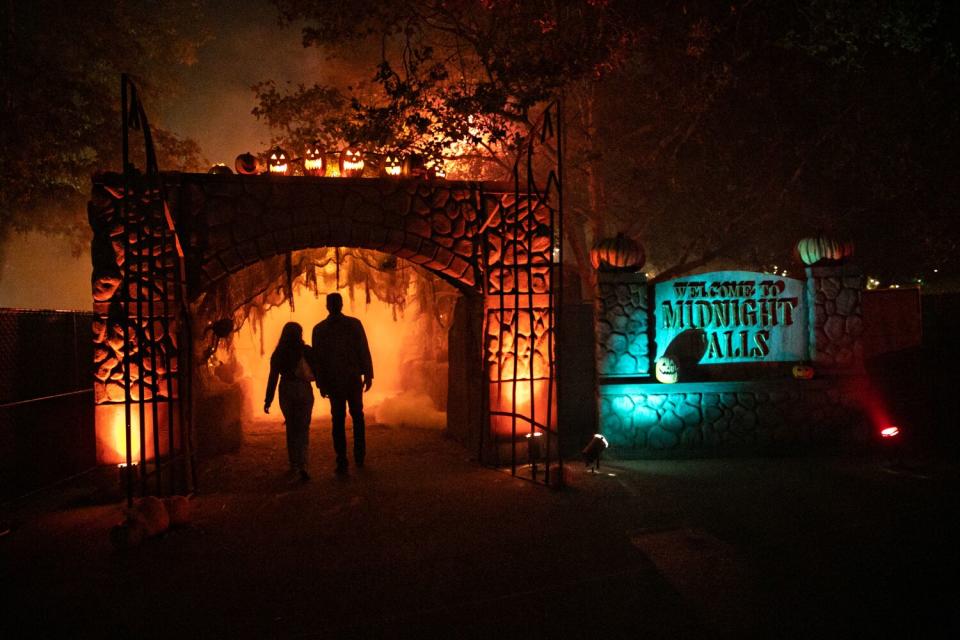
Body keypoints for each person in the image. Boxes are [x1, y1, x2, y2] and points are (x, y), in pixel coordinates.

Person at [312, 292, 373, 473]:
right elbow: (363, 350)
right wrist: (368, 374)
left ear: (327, 306)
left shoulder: (320, 329)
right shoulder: (354, 324)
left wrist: (321, 383)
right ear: (342, 305)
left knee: (338, 419)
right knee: (357, 416)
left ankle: (341, 460)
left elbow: (318, 359)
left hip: (333, 381)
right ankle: (359, 456)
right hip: (352, 379)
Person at [264, 322, 316, 482]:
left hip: (286, 389)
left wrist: (268, 399)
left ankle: (294, 463)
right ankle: (303, 465)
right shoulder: (306, 350)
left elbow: (273, 377)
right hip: (304, 389)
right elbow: (318, 369)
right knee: (303, 428)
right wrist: (323, 387)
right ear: (299, 334)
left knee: (292, 428)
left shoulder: (279, 353)